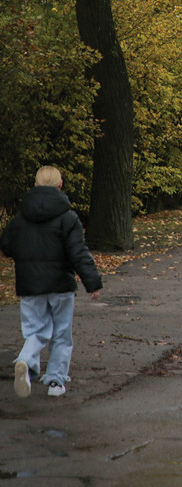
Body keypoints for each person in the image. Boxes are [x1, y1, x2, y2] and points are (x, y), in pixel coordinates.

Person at [1, 166, 103, 398]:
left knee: (36, 330)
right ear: (60, 185)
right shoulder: (68, 217)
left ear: (35, 185)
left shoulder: (21, 217)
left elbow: (7, 244)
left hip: (29, 285)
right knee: (61, 333)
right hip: (60, 285)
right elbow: (78, 252)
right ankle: (56, 381)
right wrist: (92, 282)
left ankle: (26, 360)